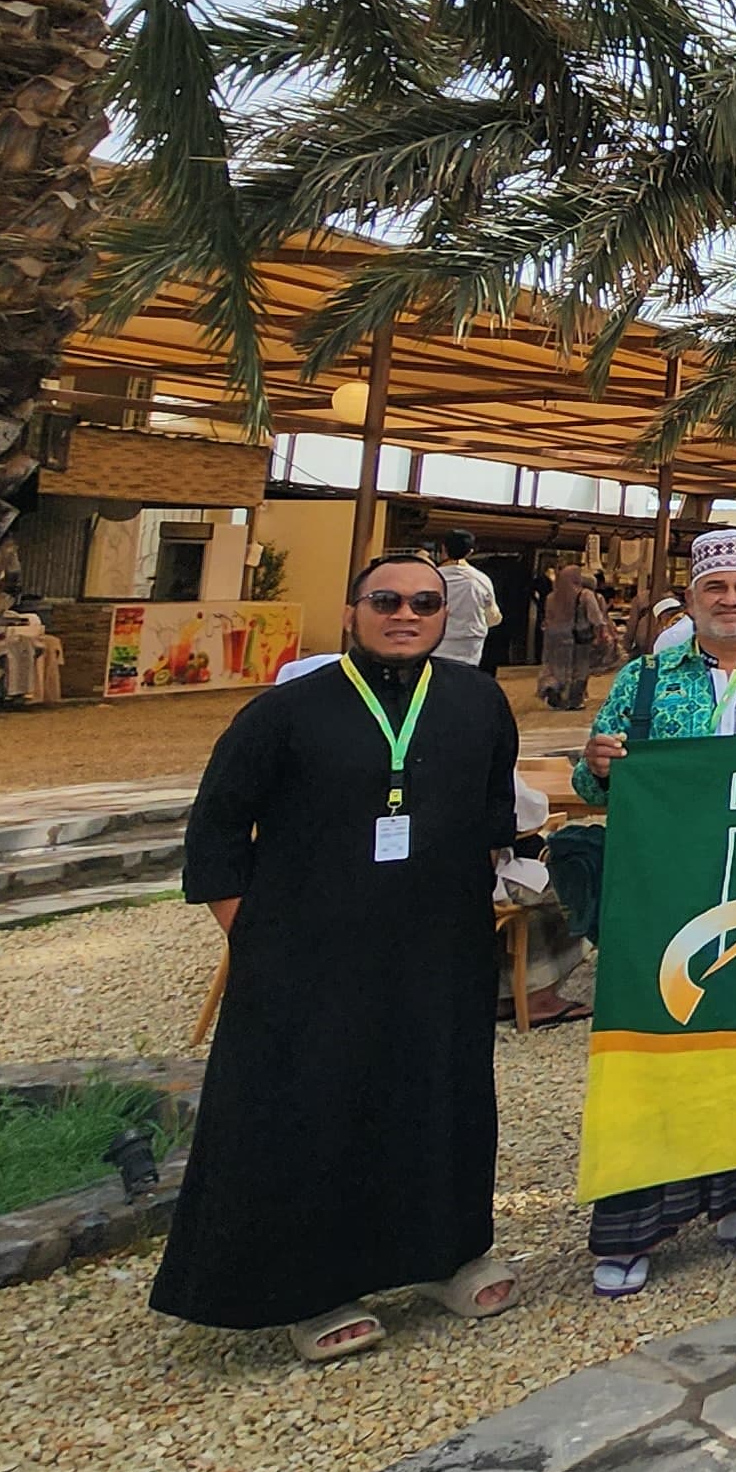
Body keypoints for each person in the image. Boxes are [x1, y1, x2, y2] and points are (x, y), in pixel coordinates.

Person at [152, 553, 521, 1360]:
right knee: (312, 1100)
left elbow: (493, 812)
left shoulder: (478, 702)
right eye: (386, 600)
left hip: (438, 945)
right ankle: (308, 1287)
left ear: (445, 616)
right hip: (311, 949)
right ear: (352, 611)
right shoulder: (286, 712)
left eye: (424, 603)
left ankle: (447, 1254)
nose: (405, 615)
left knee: (441, 1092)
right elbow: (217, 830)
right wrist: (254, 933)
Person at [574, 528, 736, 1296]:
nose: (730, 599)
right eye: (715, 587)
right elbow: (594, 787)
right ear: (692, 598)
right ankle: (633, 1226)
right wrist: (596, 766)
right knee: (652, 1041)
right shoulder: (645, 679)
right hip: (663, 891)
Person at [535, 562, 611, 710]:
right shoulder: (585, 595)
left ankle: (553, 689)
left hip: (554, 638)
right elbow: (595, 617)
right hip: (578, 637)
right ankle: (574, 700)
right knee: (580, 668)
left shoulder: (551, 597)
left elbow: (547, 618)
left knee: (555, 667)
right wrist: (601, 634)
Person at [434, 530, 502, 671]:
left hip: (436, 645)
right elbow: (493, 617)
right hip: (470, 648)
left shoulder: (431, 578)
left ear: (443, 549)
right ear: (470, 552)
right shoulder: (481, 580)